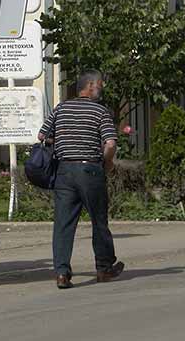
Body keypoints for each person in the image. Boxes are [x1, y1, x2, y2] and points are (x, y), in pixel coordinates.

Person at [38, 69, 124, 290]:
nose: (102, 88)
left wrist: (63, 141)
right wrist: (107, 162)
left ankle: (62, 273)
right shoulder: (100, 111)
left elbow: (42, 135)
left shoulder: (61, 108)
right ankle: (104, 268)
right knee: (99, 220)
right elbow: (110, 144)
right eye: (100, 84)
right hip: (90, 170)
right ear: (90, 86)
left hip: (64, 171)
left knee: (63, 224)